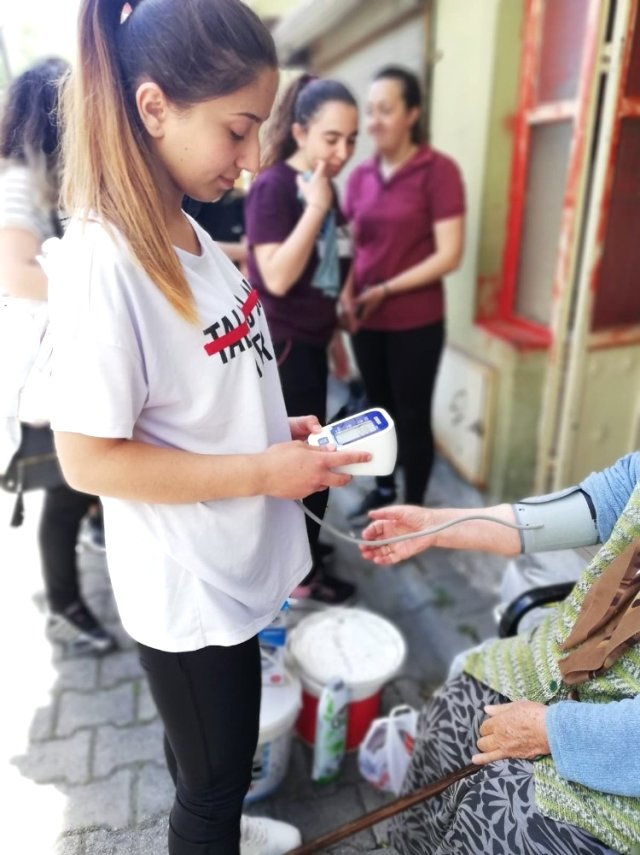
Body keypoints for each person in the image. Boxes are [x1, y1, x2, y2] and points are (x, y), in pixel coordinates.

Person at [49, 2, 370, 853]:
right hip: (188, 584)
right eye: (238, 129)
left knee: (206, 762)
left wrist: (272, 427)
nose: (254, 157)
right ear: (154, 107)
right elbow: (86, 458)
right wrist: (261, 471)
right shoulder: (105, 259)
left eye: (260, 128)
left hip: (226, 558)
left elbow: (202, 383)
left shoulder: (183, 224)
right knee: (214, 784)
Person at [359, 453, 640, 854]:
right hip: (574, 659)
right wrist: (437, 526)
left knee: (504, 820)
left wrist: (553, 732)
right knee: (452, 716)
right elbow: (586, 507)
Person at [0, 57, 115, 654]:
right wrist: (100, 288)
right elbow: (18, 275)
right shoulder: (19, 181)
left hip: (62, 357)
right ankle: (64, 608)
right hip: (40, 368)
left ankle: (89, 542)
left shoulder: (51, 176)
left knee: (80, 482)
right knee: (69, 486)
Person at [244, 74, 359, 607]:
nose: (343, 152)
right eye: (332, 138)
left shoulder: (322, 185)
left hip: (314, 343)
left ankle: (302, 558)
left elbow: (326, 271)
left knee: (314, 463)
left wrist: (336, 339)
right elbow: (276, 275)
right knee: (309, 467)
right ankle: (299, 581)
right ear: (299, 132)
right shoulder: (275, 187)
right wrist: (315, 206)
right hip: (287, 349)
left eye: (351, 140)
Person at [341, 65, 465, 518]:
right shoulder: (359, 177)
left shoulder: (438, 172)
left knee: (412, 416)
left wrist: (386, 288)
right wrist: (347, 295)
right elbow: (353, 244)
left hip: (416, 322)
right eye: (370, 110)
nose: (374, 121)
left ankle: (414, 511)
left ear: (412, 114)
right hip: (366, 319)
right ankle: (383, 489)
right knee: (378, 411)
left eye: (386, 110)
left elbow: (449, 255)